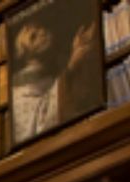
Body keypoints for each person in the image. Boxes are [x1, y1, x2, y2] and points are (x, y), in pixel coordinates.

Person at [11, 10, 98, 143]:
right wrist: (72, 66)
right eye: (33, 37)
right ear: (25, 54)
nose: (42, 34)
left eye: (41, 29)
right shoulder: (18, 92)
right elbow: (41, 122)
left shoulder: (54, 72)